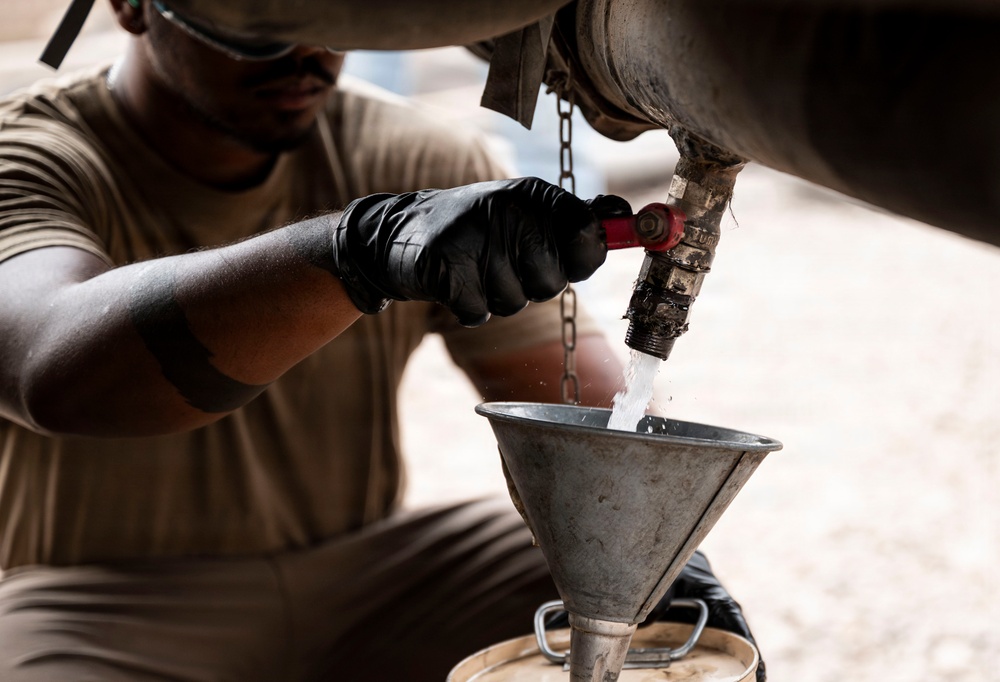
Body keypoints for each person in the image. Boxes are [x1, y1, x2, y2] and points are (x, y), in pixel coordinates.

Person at [0, 1, 763, 679]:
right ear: (133, 7)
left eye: (334, 21)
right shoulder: (30, 157)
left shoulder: (415, 159)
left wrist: (664, 555)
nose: (308, 53)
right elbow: (52, 369)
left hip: (365, 580)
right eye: (264, 21)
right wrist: (356, 251)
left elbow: (578, 399)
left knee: (660, 612)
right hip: (93, 599)